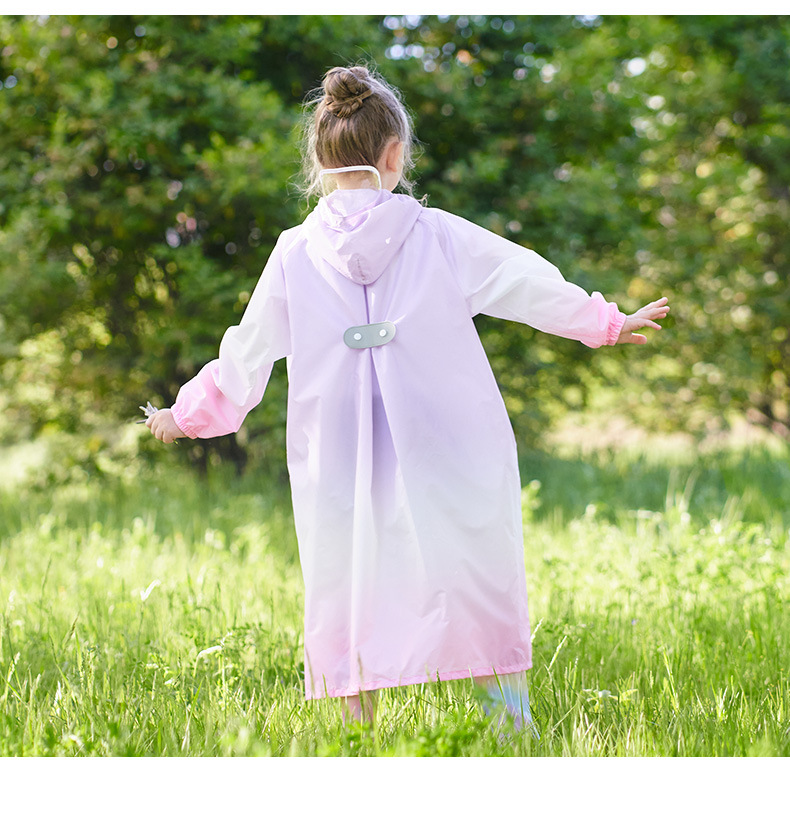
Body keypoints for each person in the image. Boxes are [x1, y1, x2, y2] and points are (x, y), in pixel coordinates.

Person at [146, 64, 669, 731]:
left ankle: (352, 733)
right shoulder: (437, 233)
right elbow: (521, 279)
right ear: (394, 156)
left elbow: (247, 351)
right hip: (444, 431)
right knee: (470, 556)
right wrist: (604, 322)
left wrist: (186, 414)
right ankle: (508, 722)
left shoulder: (294, 252)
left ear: (319, 162)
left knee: (347, 566)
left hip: (336, 443)